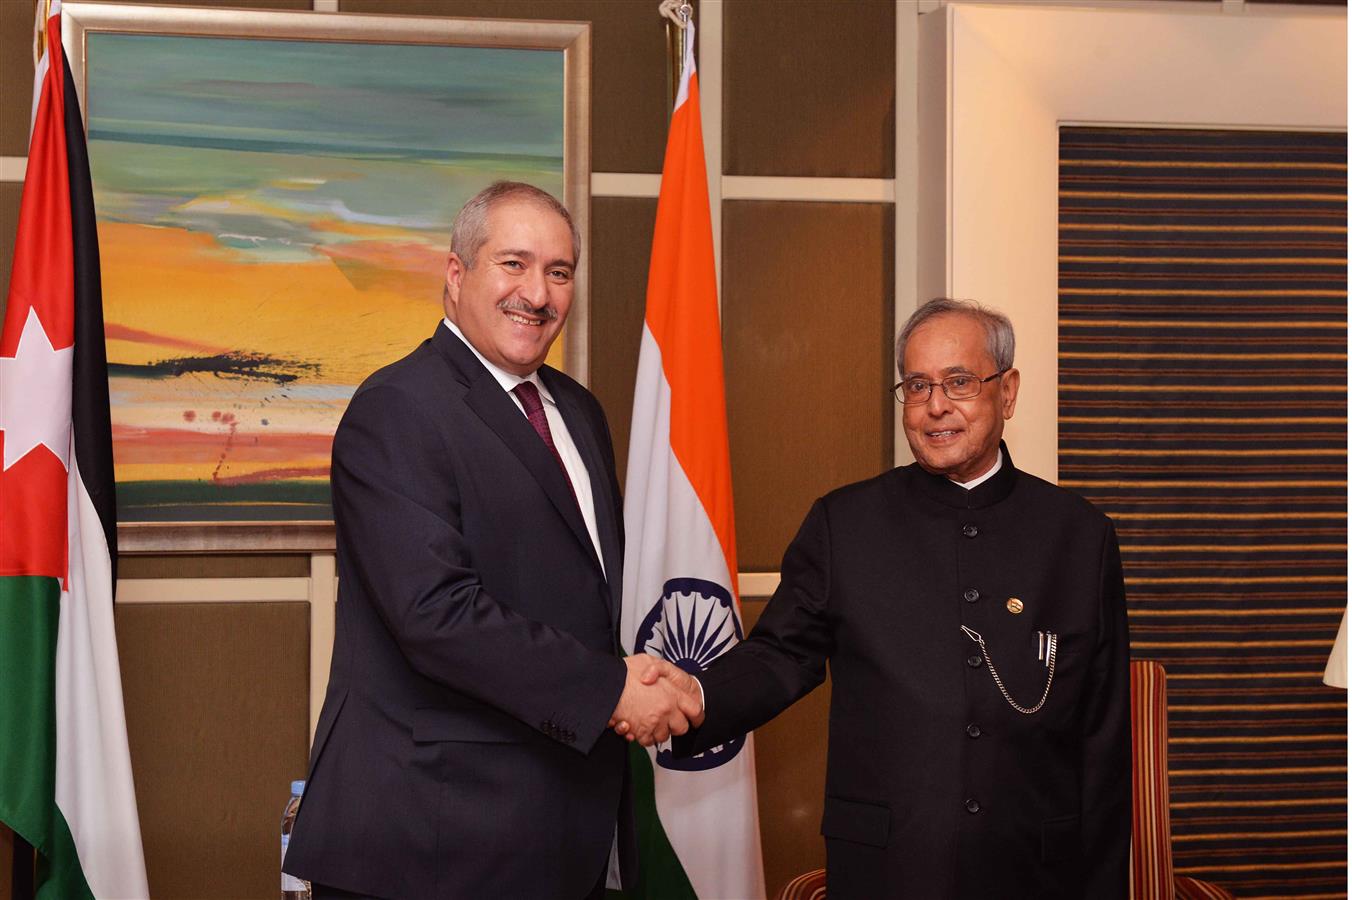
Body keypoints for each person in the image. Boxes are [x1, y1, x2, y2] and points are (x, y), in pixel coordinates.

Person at [283, 182, 700, 899]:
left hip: (559, 828)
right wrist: (611, 690)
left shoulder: (578, 410)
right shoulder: (398, 408)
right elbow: (434, 614)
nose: (536, 294)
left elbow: (576, 600)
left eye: (559, 272)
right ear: (456, 276)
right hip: (430, 838)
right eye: (513, 264)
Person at [636, 298, 1130, 898]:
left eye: (959, 382)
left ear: (1008, 392)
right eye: (917, 385)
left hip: (1034, 869)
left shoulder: (1079, 536)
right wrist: (700, 694)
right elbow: (780, 656)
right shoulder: (844, 524)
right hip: (888, 866)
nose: (935, 406)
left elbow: (1103, 735)